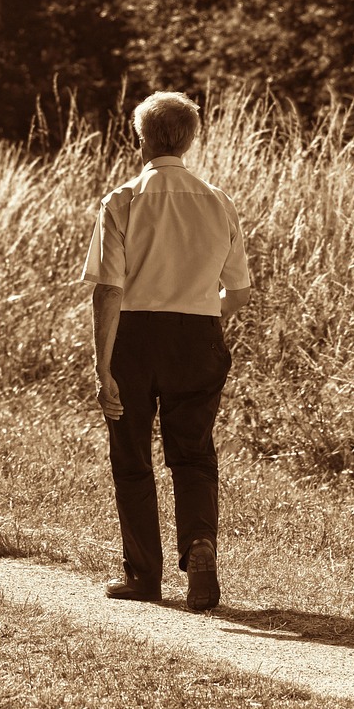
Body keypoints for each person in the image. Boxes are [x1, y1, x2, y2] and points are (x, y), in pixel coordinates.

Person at [81, 91, 251, 610]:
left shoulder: (124, 199)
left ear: (141, 137)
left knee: (131, 454)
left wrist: (102, 363)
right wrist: (199, 313)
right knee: (194, 452)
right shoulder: (218, 200)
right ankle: (199, 545)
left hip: (134, 335)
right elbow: (239, 292)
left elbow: (108, 289)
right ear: (192, 137)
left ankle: (143, 575)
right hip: (198, 336)